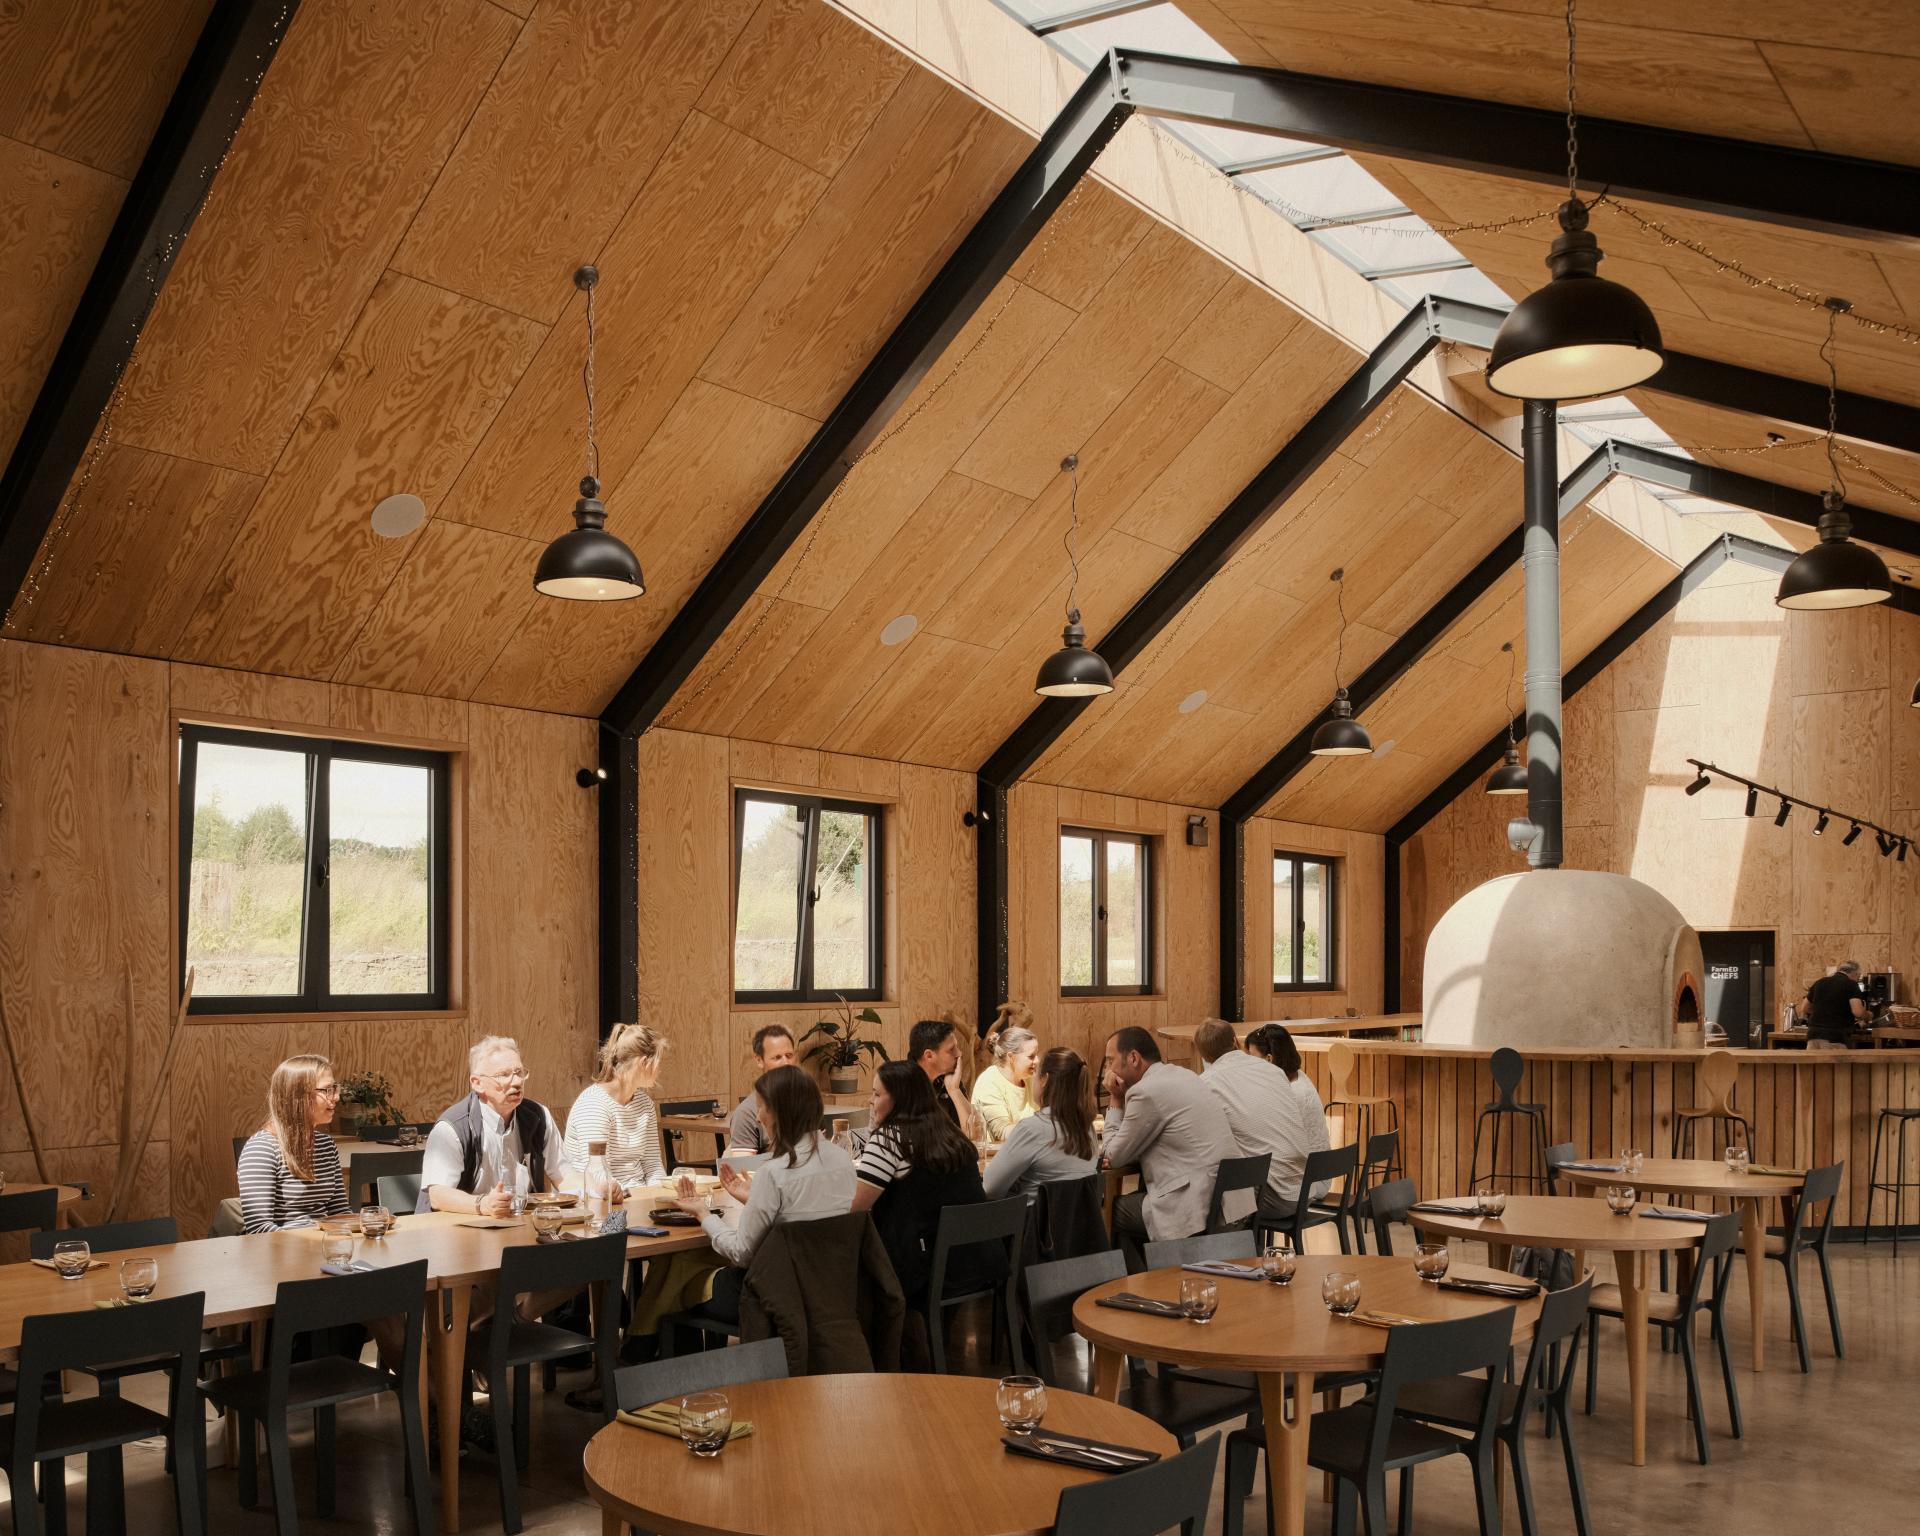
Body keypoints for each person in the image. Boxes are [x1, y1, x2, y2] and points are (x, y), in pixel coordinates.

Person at [671, 1065, 855, 1324]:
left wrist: (704, 1214)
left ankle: (642, 1352)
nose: (757, 1117)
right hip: (827, 1291)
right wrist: (753, 1198)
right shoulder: (842, 1161)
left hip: (769, 1298)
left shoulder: (775, 1173)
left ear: (780, 1113)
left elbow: (742, 1253)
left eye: (761, 1107)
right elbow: (802, 1216)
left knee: (676, 1278)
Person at [852, 1060, 996, 1309]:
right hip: (974, 1263)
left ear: (899, 1099)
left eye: (876, 1094)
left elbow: (853, 1208)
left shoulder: (889, 1138)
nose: (871, 1101)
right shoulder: (953, 1135)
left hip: (919, 1272)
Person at [1101, 1026, 1237, 1269]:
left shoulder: (1145, 1092)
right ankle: (1153, 1275)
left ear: (1133, 1058)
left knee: (1111, 1210)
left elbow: (1114, 1155)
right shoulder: (1184, 1074)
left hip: (1193, 1201)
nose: (1108, 1069)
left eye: (1110, 1060)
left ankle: (1144, 1285)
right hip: (1227, 1196)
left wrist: (1115, 1099)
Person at [1193, 1019, 1329, 1215]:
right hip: (1305, 1188)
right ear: (1236, 1041)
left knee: (1200, 1195)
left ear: (1202, 1054)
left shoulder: (1206, 1083)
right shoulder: (1273, 1071)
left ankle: (1227, 1244)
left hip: (1276, 1196)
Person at [418, 1036, 565, 1214]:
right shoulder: (452, 1128)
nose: (517, 1082)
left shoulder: (538, 1117)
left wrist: (596, 1189)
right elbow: (438, 1195)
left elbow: (564, 1174)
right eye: (504, 1075)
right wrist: (483, 1204)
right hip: (459, 1232)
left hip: (520, 1228)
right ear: (477, 1083)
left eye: (519, 1072)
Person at [236, 1054, 351, 1233]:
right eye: (327, 1090)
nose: (336, 1097)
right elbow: (258, 1228)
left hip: (326, 1250)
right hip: (282, 1255)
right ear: (298, 1096)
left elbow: (340, 1212)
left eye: (335, 1088)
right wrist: (312, 1245)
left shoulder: (326, 1145)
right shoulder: (262, 1148)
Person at [561, 1022, 667, 1193]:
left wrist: (659, 1196)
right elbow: (597, 1172)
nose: (659, 1070)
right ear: (643, 1063)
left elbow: (653, 1163)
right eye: (658, 1063)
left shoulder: (645, 1104)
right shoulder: (594, 1104)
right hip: (600, 1199)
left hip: (637, 1197)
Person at [982, 1047, 1099, 1199]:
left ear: (1045, 1080)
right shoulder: (1088, 1128)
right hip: (1080, 1222)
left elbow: (989, 1188)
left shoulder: (1032, 1129)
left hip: (1034, 1221)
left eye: (1036, 1073)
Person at [726, 1024, 798, 1154]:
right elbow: (743, 1169)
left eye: (789, 1055)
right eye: (777, 1057)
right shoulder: (746, 1113)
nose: (785, 1063)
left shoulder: (807, 1102)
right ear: (759, 1060)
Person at [970, 1012, 1039, 1143]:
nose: (1037, 1060)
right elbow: (1002, 1132)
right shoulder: (989, 1081)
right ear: (1011, 1057)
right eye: (1031, 1056)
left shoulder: (1029, 1079)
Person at [910, 1017, 977, 1137]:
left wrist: (954, 1090)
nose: (959, 1053)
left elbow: (974, 1135)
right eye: (951, 1049)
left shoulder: (948, 1080)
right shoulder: (901, 1083)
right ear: (929, 1056)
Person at [1801, 960, 1869, 1049]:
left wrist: (1822, 1010)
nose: (1857, 980)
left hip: (1813, 1037)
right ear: (1855, 973)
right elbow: (1858, 1012)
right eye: (1858, 977)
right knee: (1834, 1063)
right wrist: (1868, 1015)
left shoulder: (1820, 982)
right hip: (1835, 1038)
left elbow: (1805, 1008)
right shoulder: (1851, 984)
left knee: (1815, 1063)